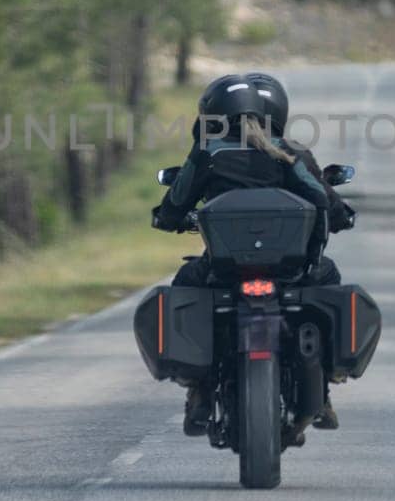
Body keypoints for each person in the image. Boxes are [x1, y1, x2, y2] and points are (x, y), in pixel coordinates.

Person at [151, 72, 355, 433]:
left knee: (185, 282)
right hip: (291, 272)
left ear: (210, 114)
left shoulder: (207, 154)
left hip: (223, 271)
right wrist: (341, 217)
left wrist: (168, 219)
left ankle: (198, 389)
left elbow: (175, 203)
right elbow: (324, 200)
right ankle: (321, 389)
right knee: (329, 278)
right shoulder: (291, 154)